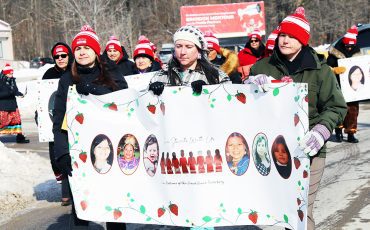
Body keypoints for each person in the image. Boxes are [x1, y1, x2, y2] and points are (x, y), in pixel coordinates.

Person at [249, 7, 347, 230]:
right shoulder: (262, 67)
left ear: (302, 40)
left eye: (292, 36)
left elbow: (336, 106)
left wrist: (321, 131)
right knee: (278, 207)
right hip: (271, 149)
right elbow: (242, 106)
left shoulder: (320, 70)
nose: (285, 40)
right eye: (282, 34)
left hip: (308, 148)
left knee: (301, 209)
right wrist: (248, 88)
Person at [53, 25, 128, 229]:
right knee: (81, 207)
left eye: (87, 48)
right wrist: (61, 153)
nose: (82, 52)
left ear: (96, 51)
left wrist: (94, 90)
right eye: (78, 49)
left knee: (113, 206)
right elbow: (59, 119)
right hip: (80, 150)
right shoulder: (66, 79)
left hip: (108, 146)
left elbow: (124, 100)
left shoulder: (111, 71)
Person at [148, 25, 229, 97]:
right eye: (179, 46)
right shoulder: (160, 76)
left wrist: (208, 90)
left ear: (199, 50)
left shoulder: (216, 76)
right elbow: (144, 107)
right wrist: (151, 93)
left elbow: (229, 104)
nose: (183, 52)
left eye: (189, 47)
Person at [42, 42, 74, 205]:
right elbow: (42, 98)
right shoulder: (48, 74)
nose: (60, 59)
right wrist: (39, 114)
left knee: (70, 155)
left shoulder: (75, 70)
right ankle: (65, 187)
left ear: (69, 55)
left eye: (63, 55)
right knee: (56, 159)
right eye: (57, 56)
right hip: (54, 119)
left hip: (73, 120)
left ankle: (68, 193)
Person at [327, 25, 362, 143]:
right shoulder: (335, 51)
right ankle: (338, 132)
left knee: (352, 111)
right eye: (347, 46)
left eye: (351, 46)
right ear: (343, 44)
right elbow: (327, 67)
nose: (350, 48)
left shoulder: (357, 51)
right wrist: (334, 70)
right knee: (339, 109)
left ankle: (351, 133)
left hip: (352, 88)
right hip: (338, 86)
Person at [0, 63, 29, 143]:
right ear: (5, 73)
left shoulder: (13, 81)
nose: (12, 74)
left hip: (13, 105)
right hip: (3, 106)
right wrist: (9, 93)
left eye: (12, 73)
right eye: (10, 73)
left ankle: (20, 138)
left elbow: (15, 91)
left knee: (17, 121)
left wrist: (20, 94)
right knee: (2, 123)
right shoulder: (1, 82)